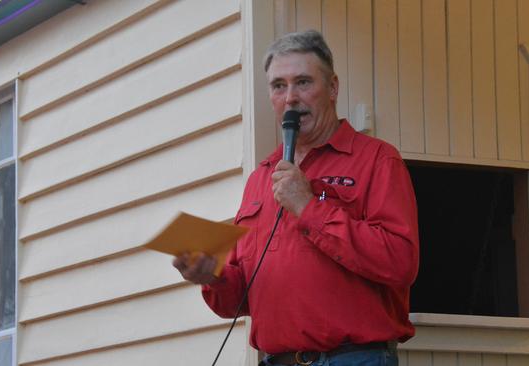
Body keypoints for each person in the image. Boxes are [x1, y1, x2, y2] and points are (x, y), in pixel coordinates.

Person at [173, 30, 419, 366]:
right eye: (279, 86)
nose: (290, 97)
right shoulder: (262, 177)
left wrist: (308, 206)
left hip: (352, 359)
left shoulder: (376, 160)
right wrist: (211, 276)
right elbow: (240, 298)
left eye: (303, 82)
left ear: (332, 88)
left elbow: (400, 262)